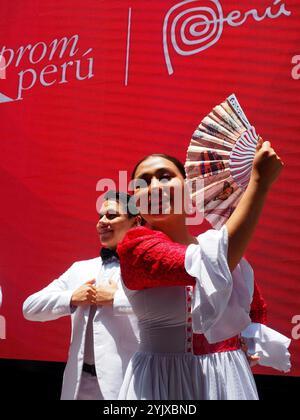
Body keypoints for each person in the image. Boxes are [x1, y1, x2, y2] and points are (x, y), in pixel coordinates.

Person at [117, 143, 291, 400]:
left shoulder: (214, 248)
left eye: (165, 177)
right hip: (161, 381)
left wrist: (248, 339)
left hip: (226, 376)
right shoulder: (137, 247)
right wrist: (259, 182)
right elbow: (211, 263)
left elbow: (255, 306)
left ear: (188, 189)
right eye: (143, 182)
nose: (154, 187)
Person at [23, 191, 141, 400]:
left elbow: (173, 313)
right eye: (100, 217)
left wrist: (117, 298)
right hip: (77, 386)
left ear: (135, 222)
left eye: (112, 216)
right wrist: (71, 298)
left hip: (127, 385)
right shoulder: (80, 269)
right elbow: (29, 308)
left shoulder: (147, 267)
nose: (102, 222)